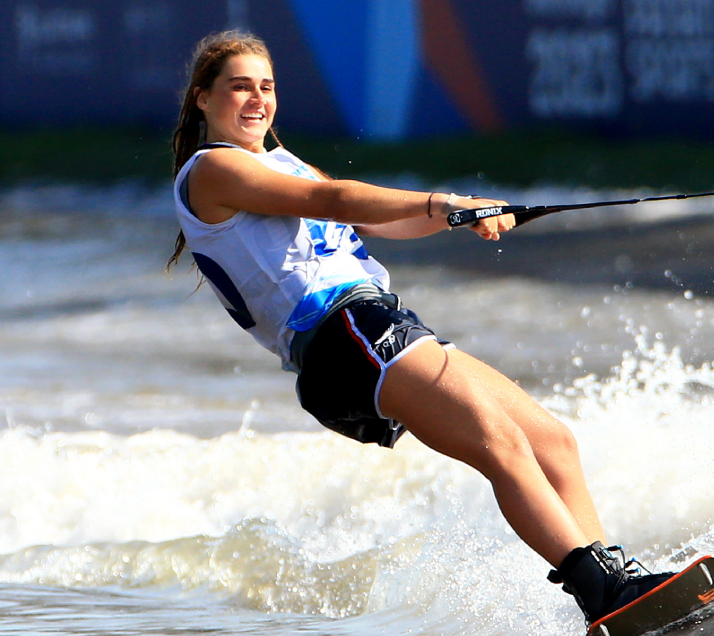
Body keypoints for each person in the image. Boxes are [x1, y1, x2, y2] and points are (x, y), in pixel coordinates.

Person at [168, 31, 675, 626]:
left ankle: (620, 587)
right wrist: (439, 200)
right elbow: (333, 198)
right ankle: (602, 593)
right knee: (500, 444)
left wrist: (458, 213)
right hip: (340, 335)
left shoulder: (276, 162)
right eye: (239, 88)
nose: (257, 99)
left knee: (553, 442)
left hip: (375, 323)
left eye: (267, 87)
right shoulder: (211, 169)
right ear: (203, 99)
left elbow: (382, 226)